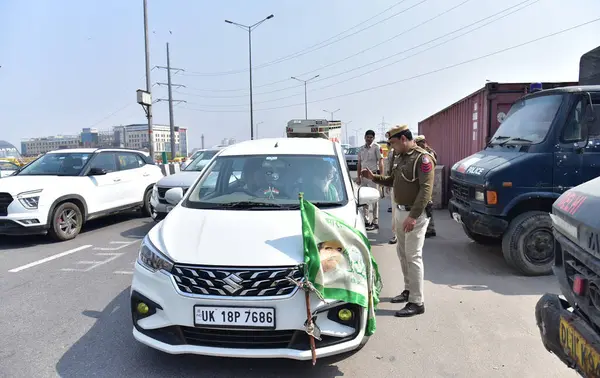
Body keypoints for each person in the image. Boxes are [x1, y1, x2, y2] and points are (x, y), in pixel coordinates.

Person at [361, 125, 436, 317]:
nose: (392, 148)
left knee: (413, 257)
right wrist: (373, 177)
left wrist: (413, 216)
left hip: (415, 215)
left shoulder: (423, 158)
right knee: (402, 254)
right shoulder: (402, 157)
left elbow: (425, 191)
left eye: (393, 143)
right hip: (401, 212)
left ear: (403, 139)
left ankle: (417, 302)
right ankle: (408, 290)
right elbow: (392, 180)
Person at [356, 130, 383, 231]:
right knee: (364, 199)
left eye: (371, 137)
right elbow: (359, 164)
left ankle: (375, 221)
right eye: (367, 137)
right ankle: (367, 221)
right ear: (364, 137)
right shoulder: (361, 149)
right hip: (364, 177)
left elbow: (381, 162)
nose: (369, 139)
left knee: (375, 200)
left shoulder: (376, 147)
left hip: (373, 176)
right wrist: (358, 177)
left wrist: (381, 178)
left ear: (373, 138)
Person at [414, 135, 437, 238]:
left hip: (428, 182)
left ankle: (430, 229)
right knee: (425, 204)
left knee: (427, 205)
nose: (419, 146)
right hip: (423, 182)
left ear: (424, 142)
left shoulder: (429, 154)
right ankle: (428, 228)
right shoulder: (423, 153)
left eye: (420, 143)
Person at [385, 142, 400, 244]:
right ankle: (395, 235)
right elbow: (389, 169)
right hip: (395, 186)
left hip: (409, 188)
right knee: (395, 211)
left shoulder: (410, 153)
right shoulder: (392, 154)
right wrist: (387, 183)